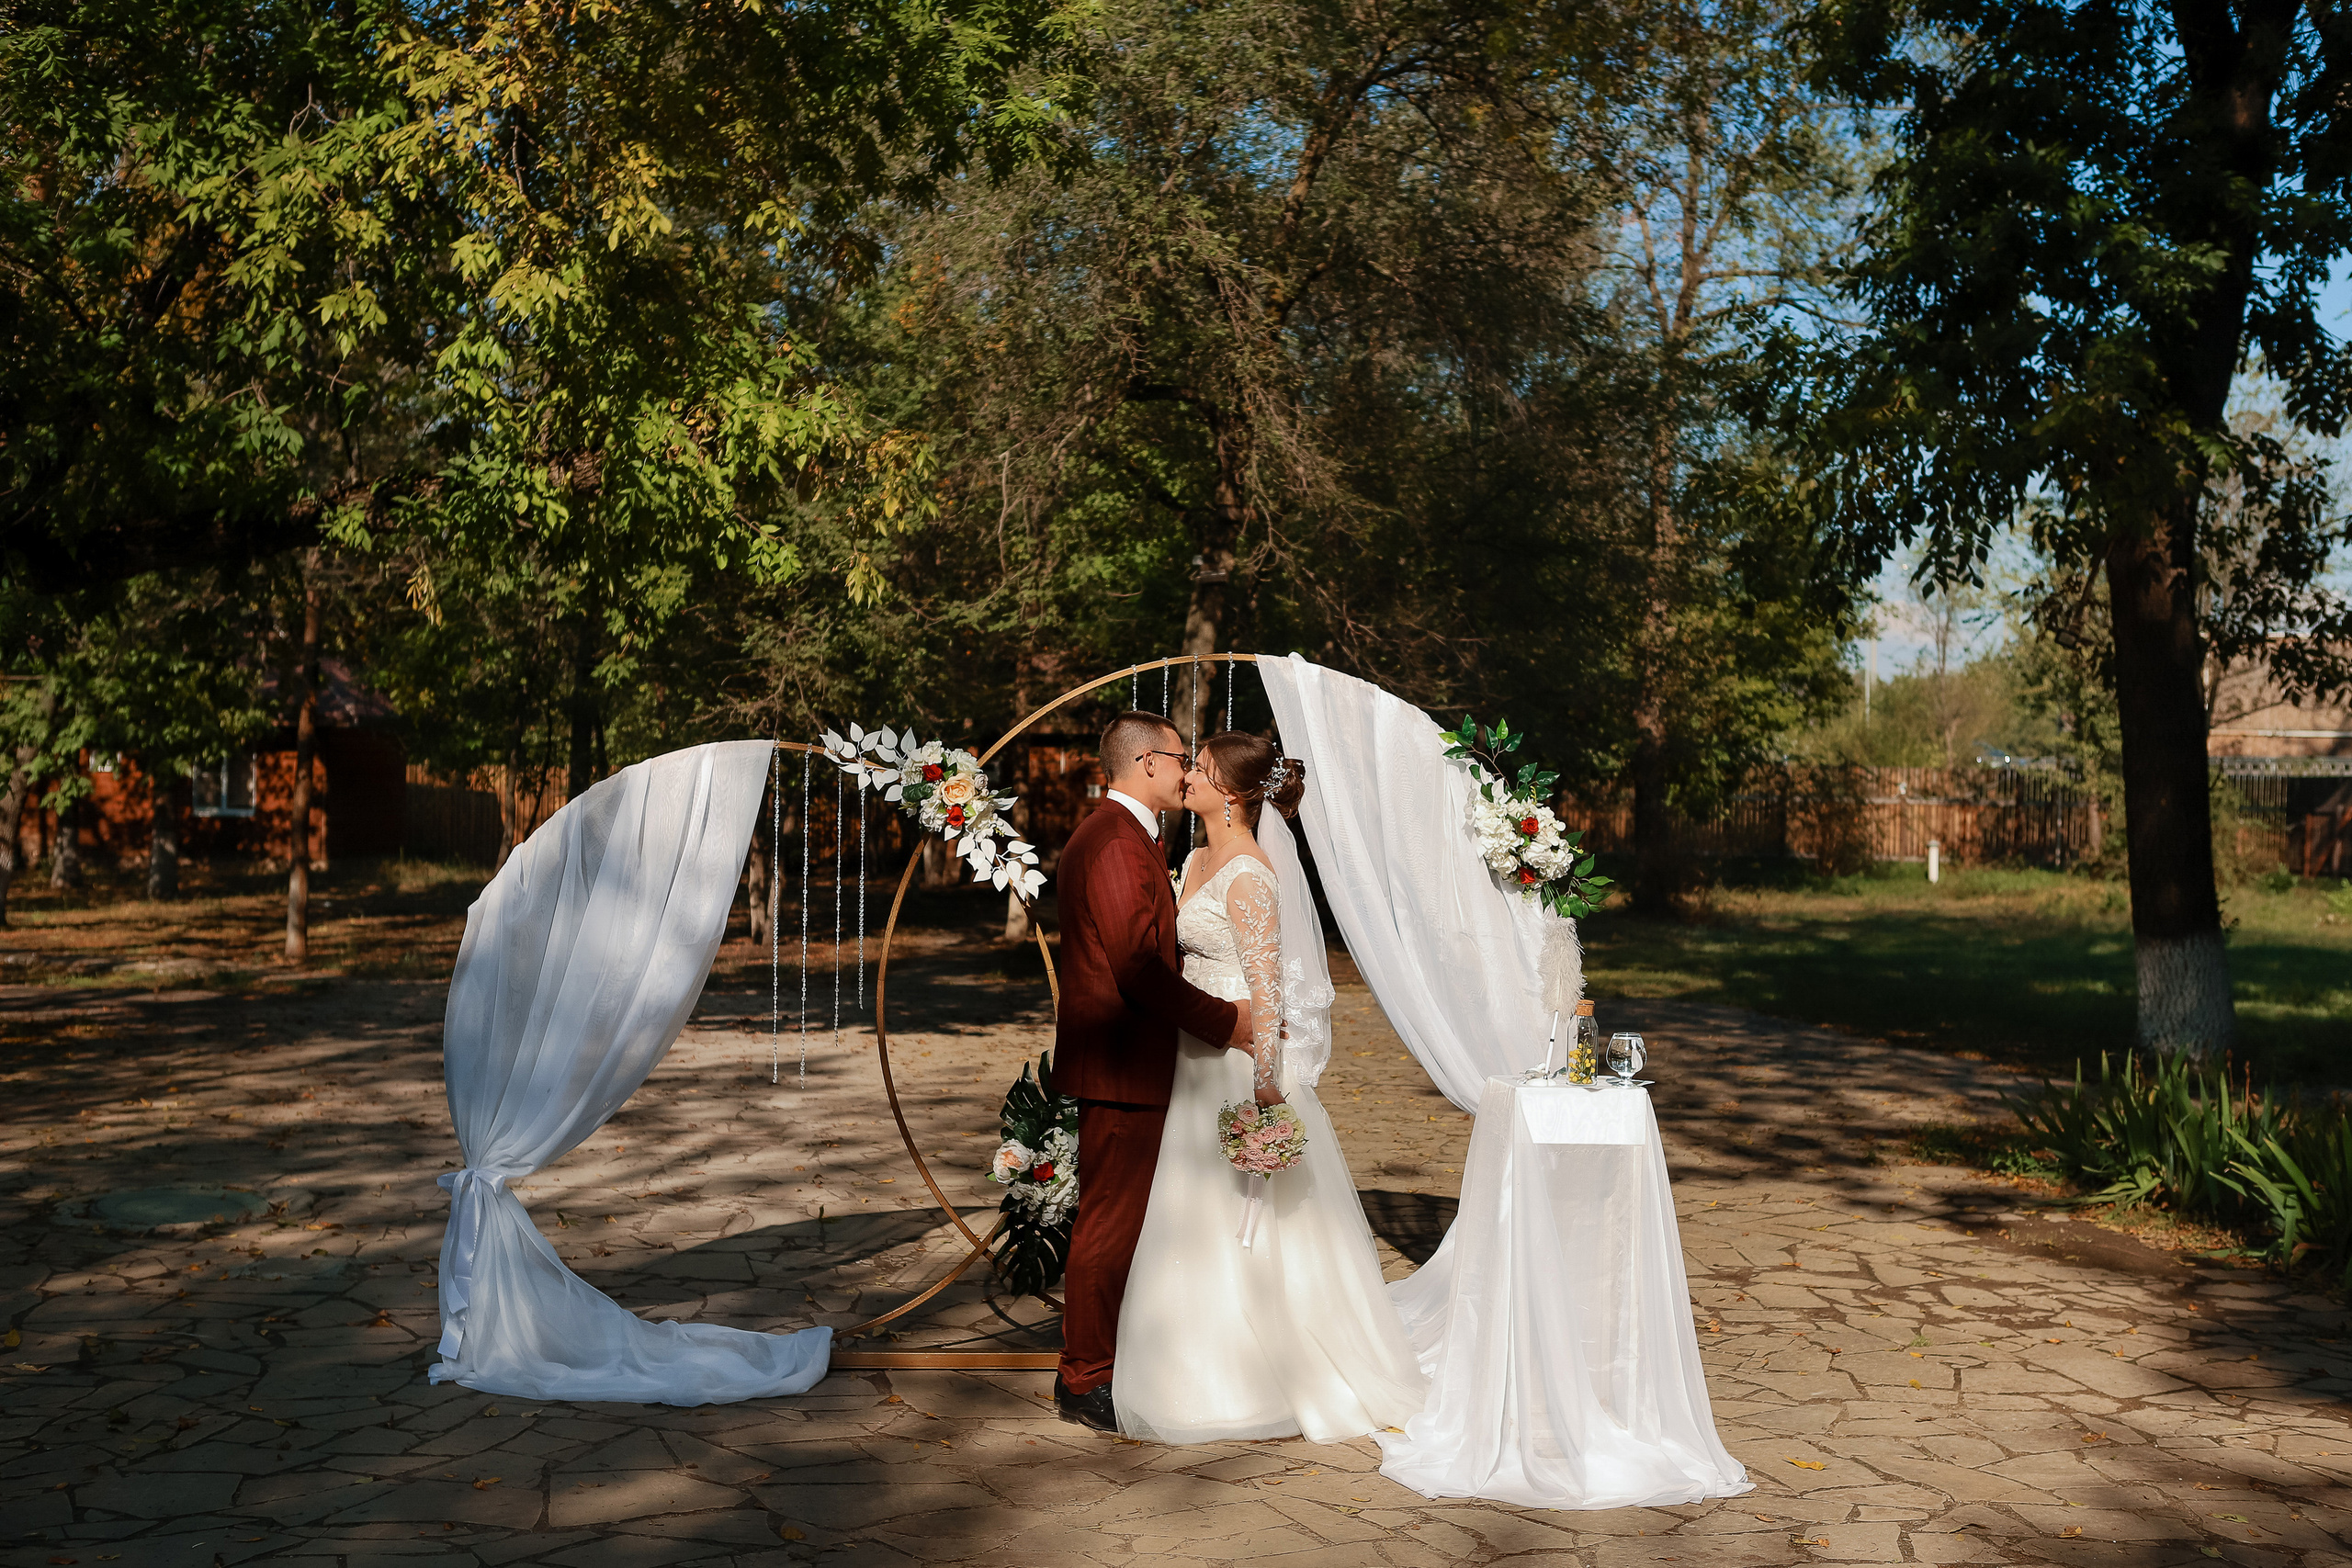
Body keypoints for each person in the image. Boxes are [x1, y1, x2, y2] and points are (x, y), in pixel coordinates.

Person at [1111, 731, 1429, 1444]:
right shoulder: (1192, 858)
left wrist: (1265, 1089)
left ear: (1229, 790)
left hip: (1234, 1064)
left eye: (1199, 767)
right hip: (1191, 1056)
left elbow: (1268, 991)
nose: (1186, 774)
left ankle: (1259, 1373)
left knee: (1246, 1220)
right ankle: (1184, 1363)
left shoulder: (1252, 873)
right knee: (1190, 1211)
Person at [1050, 712, 1257, 1431]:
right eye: (1179, 757)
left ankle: (1105, 1359)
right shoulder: (1113, 842)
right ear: (1145, 763)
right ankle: (1086, 1377)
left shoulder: (1129, 836)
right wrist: (1230, 1022)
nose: (1186, 771)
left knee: (1125, 1219)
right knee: (1109, 1223)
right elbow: (1137, 967)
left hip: (1131, 1058)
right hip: (1121, 1060)